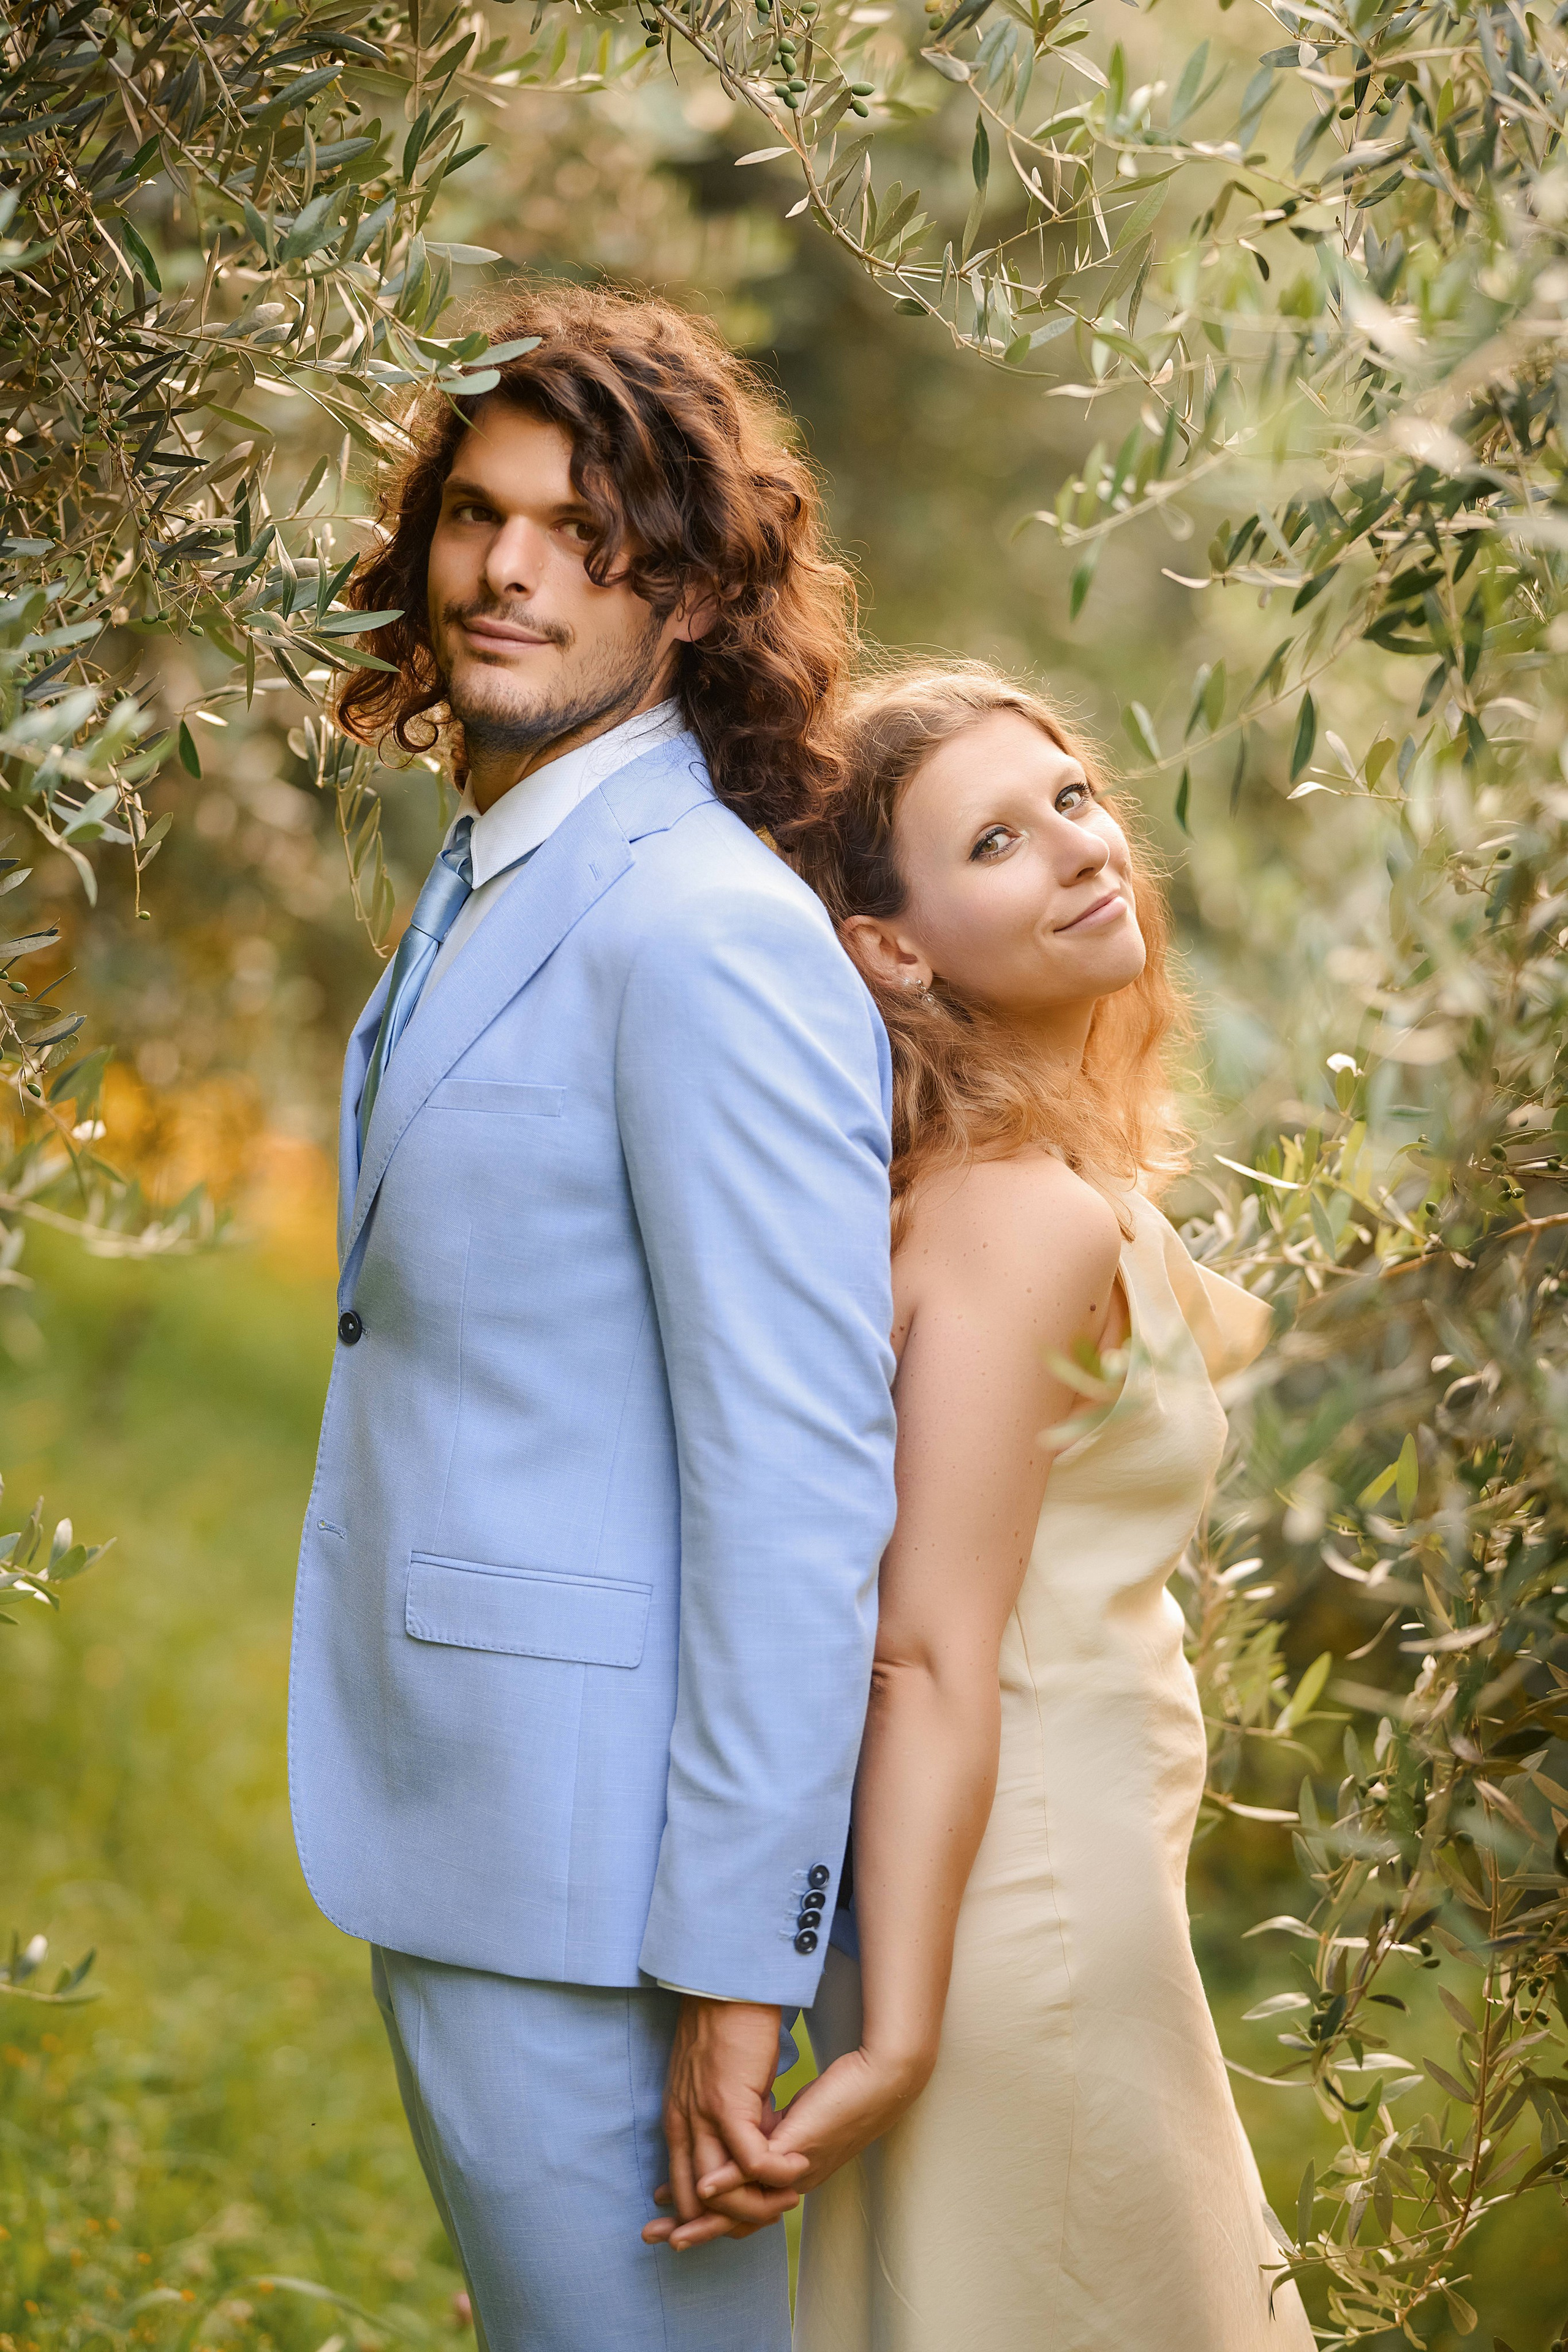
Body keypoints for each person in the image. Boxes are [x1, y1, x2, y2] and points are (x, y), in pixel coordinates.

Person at [287, 282, 898, 2352]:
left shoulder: (701, 930)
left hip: (609, 1894)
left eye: (587, 527)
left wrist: (740, 1966)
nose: (511, 566)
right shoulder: (495, 875)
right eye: (478, 513)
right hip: (470, 1831)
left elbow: (798, 1485)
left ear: (700, 594)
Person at [650, 662, 1315, 2351]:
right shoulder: (1014, 1216)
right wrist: (900, 2035)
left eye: (1073, 798)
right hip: (1025, 1919)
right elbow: (926, 1652)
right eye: (998, 841)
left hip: (1074, 1896)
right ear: (890, 947)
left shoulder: (1043, 1179)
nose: (1082, 849)